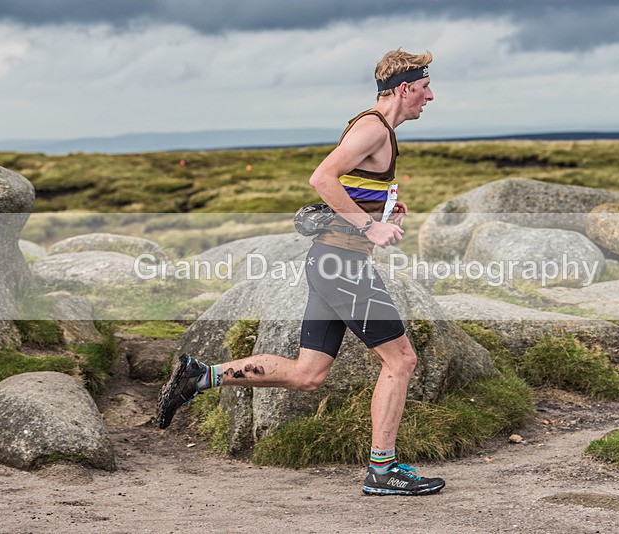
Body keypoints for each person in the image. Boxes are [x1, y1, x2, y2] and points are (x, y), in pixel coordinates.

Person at [157, 49, 443, 496]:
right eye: (425, 88)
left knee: (308, 374)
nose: (431, 96)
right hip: (342, 266)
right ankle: (382, 471)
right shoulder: (373, 128)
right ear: (405, 88)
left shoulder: (375, 128)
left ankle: (200, 375)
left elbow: (348, 185)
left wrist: (384, 208)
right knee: (401, 360)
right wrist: (369, 224)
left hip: (330, 263)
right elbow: (322, 178)